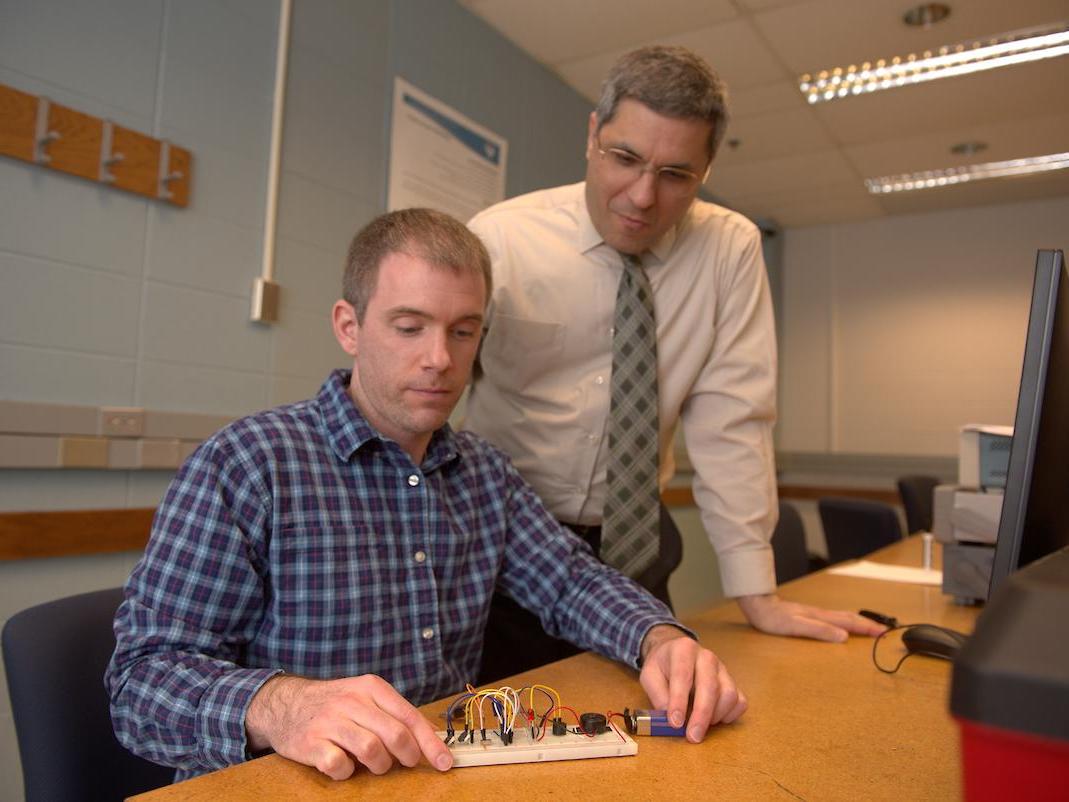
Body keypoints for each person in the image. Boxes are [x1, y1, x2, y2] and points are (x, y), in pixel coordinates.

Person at [106, 208, 746, 784]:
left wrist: (659, 637)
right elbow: (140, 682)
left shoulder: (483, 474)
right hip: (288, 782)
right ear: (349, 326)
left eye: (463, 331)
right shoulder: (248, 464)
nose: (440, 358)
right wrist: (283, 705)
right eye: (409, 327)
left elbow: (571, 581)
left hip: (433, 772)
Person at [465, 46, 883, 681]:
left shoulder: (729, 250)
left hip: (635, 545)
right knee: (501, 735)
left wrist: (756, 591)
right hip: (506, 545)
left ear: (707, 169)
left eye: (676, 175)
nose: (641, 196)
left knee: (651, 733)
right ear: (592, 136)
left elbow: (734, 423)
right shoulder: (501, 240)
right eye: (625, 159)